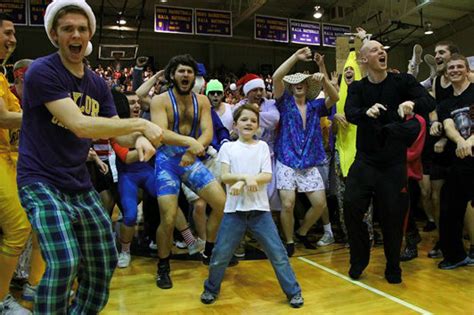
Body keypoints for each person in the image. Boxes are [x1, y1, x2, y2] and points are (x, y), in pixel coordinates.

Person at [17, 1, 162, 313]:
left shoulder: (97, 83)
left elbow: (116, 133)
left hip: (78, 184)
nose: (76, 34)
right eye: (68, 28)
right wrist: (139, 123)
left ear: (90, 35)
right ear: (55, 35)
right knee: (65, 261)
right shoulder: (42, 71)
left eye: (82, 29)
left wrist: (139, 138)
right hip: (41, 181)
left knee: (103, 261)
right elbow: (81, 126)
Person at [344, 40, 435, 284]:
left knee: (393, 218)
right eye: (374, 50)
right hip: (365, 161)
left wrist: (412, 103)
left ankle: (393, 265)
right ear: (364, 59)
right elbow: (350, 111)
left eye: (383, 49)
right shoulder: (358, 88)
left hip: (393, 164)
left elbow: (429, 102)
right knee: (351, 207)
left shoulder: (402, 81)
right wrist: (366, 112)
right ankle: (358, 259)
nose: (382, 52)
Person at [200, 104, 303, 308]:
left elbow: (266, 175)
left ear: (257, 126)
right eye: (244, 119)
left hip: (260, 212)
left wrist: (241, 181)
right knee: (220, 255)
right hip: (234, 212)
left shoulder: (262, 147)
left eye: (253, 121)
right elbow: (225, 176)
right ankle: (211, 288)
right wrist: (244, 179)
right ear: (235, 124)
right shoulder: (228, 147)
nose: (249, 123)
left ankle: (294, 292)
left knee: (278, 254)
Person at [150, 54, 226, 289]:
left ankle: (209, 250)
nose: (186, 75)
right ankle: (163, 266)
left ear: (195, 77)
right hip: (167, 162)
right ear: (172, 75)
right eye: (181, 71)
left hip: (189, 159)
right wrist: (190, 144)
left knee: (222, 203)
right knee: (169, 217)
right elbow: (160, 133)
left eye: (190, 72)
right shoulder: (159, 100)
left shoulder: (202, 101)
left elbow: (207, 133)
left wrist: (193, 151)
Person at [272, 47, 339, 256]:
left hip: (309, 162)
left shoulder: (315, 107)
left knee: (319, 204)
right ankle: (290, 241)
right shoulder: (284, 103)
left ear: (308, 86)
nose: (299, 85)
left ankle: (301, 232)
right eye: (295, 83)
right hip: (287, 160)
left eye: (303, 82)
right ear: (291, 87)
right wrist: (295, 57)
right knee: (288, 204)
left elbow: (334, 97)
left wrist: (324, 79)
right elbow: (276, 77)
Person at [0, 12, 36, 315]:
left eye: (14, 34)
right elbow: (3, 118)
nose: (12, 40)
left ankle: (33, 285)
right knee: (18, 228)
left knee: (35, 221)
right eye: (7, 33)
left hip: (11, 161)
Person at [436, 54, 474, 270]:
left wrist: (470, 141)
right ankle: (455, 256)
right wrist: (461, 141)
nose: (455, 70)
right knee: (449, 207)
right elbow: (449, 126)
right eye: (451, 68)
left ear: (467, 69)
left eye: (460, 66)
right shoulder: (446, 102)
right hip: (460, 159)